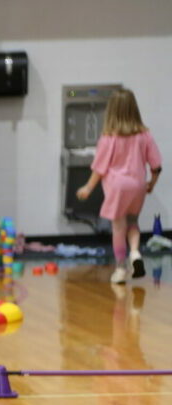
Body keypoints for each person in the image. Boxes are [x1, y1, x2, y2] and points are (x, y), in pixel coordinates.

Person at [77, 88, 162, 284]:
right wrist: (151, 184)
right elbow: (156, 166)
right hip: (138, 185)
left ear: (111, 111)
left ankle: (121, 268)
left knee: (118, 227)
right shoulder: (144, 135)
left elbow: (99, 168)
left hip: (117, 187)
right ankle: (135, 253)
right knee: (133, 223)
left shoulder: (109, 138)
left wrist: (88, 188)